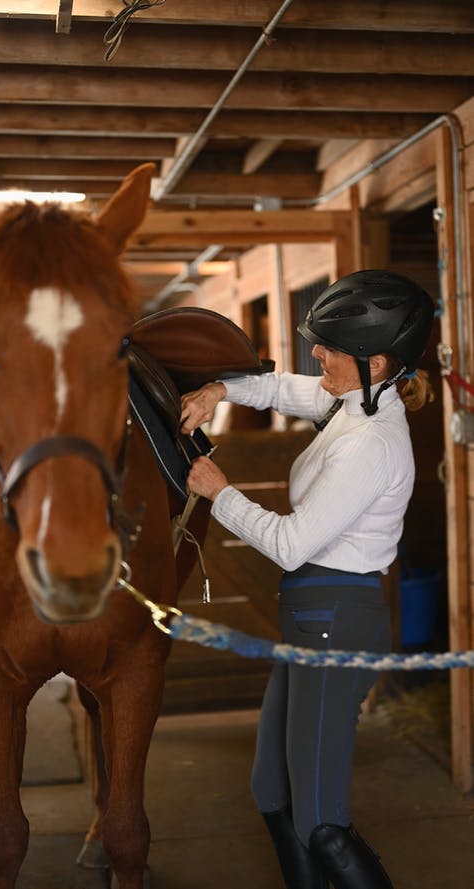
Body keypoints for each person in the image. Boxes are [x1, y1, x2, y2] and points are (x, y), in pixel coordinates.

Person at [180, 269, 435, 889]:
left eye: (329, 347)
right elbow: (284, 389)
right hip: (311, 619)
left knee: (323, 820)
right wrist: (221, 389)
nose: (316, 353)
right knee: (272, 788)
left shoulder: (372, 441)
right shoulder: (353, 399)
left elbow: (291, 546)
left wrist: (221, 493)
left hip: (337, 620)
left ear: (376, 364)